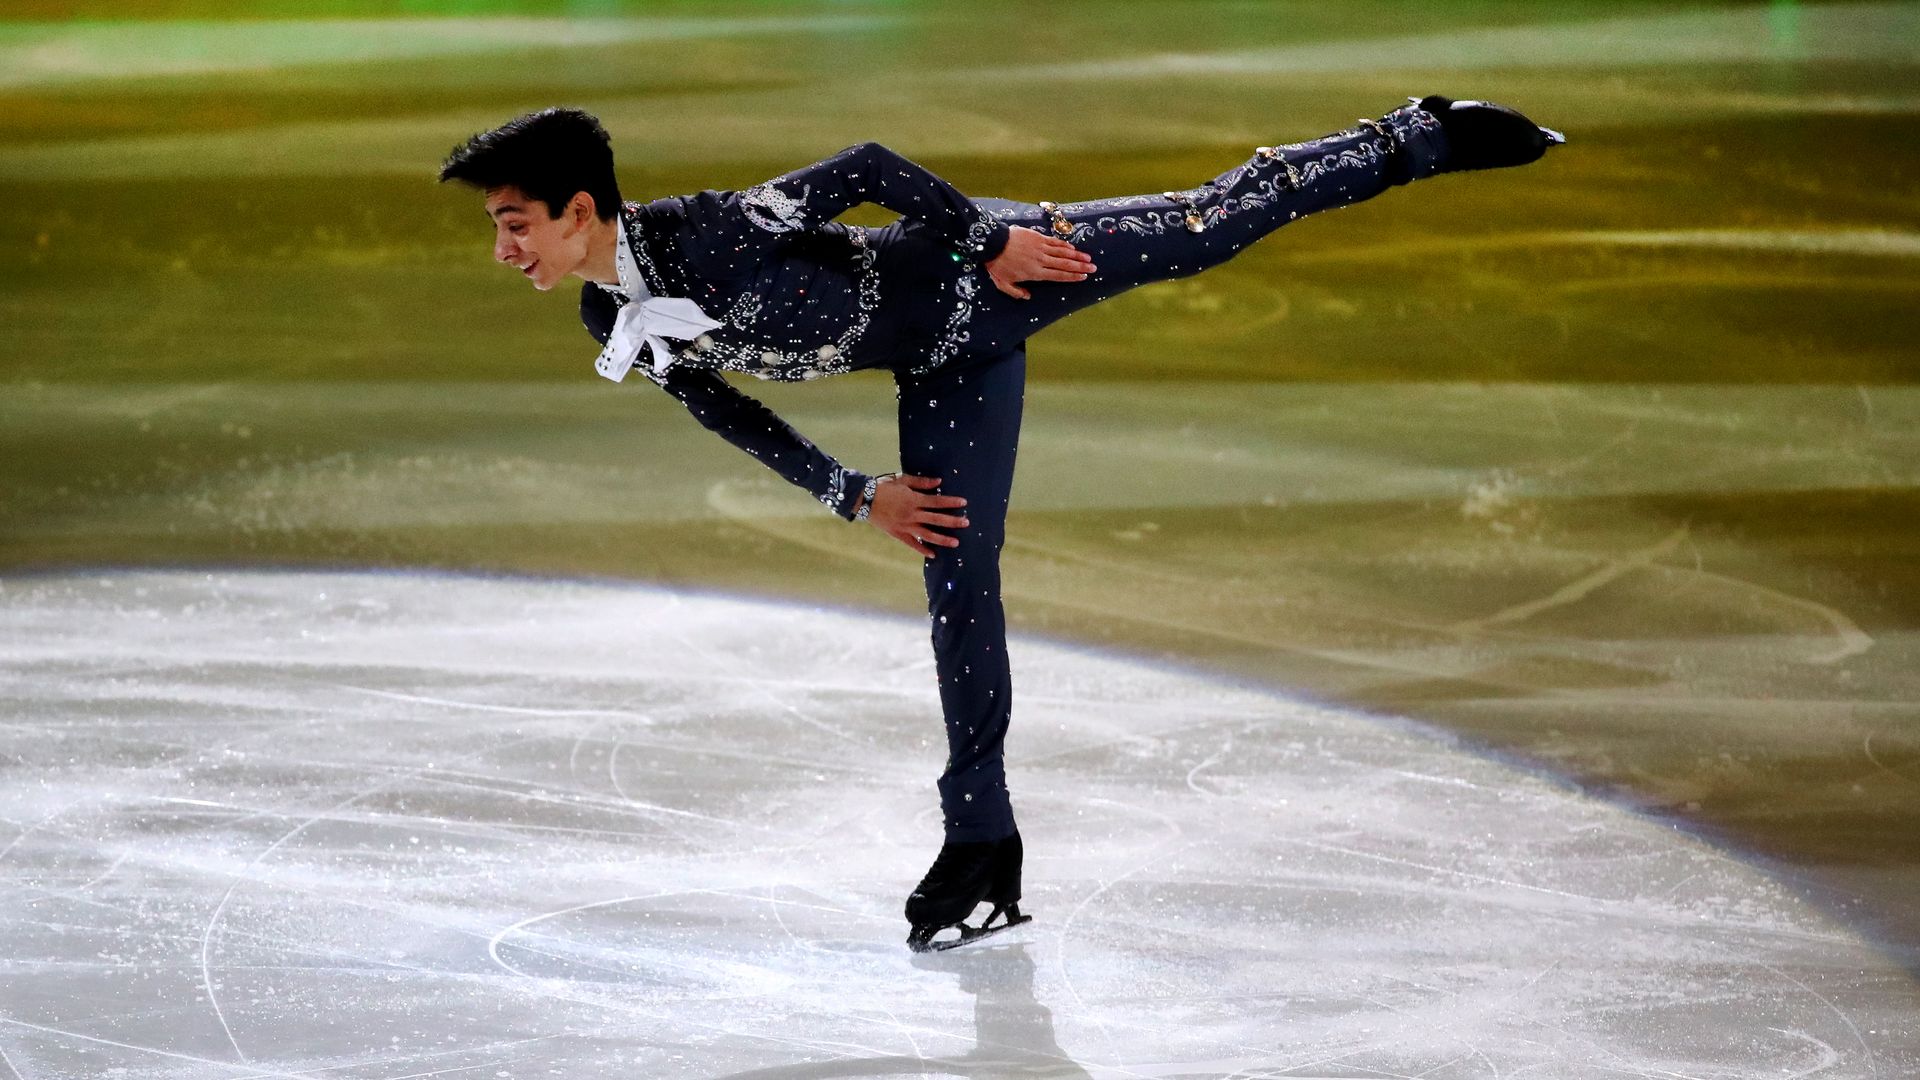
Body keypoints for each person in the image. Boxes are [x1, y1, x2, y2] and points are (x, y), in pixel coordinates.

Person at [437, 95, 1563, 952]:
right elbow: (723, 406)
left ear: (578, 209)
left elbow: (870, 169)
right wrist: (855, 492)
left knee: (1208, 226)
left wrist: (988, 242)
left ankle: (1410, 138)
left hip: (1005, 271)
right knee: (958, 585)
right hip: (943, 369)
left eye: (513, 222)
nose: (503, 248)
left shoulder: (718, 233)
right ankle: (982, 839)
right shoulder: (608, 304)